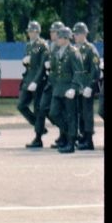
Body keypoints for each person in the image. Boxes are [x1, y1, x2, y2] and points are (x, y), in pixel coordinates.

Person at [46, 24, 79, 153]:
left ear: (66, 38)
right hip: (58, 88)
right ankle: (69, 134)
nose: (57, 39)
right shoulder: (57, 52)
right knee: (53, 113)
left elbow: (78, 72)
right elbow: (54, 71)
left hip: (68, 88)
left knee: (71, 115)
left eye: (59, 38)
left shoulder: (73, 52)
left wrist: (74, 87)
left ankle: (70, 143)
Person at [18, 20, 50, 148]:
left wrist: (36, 81)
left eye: (33, 31)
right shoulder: (29, 45)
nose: (31, 33)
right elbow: (30, 62)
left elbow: (42, 66)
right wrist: (26, 62)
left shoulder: (40, 45)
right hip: (28, 80)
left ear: (38, 32)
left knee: (38, 108)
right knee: (21, 105)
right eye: (30, 31)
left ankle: (38, 137)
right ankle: (39, 126)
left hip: (38, 81)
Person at [71, 23, 100, 150]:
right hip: (78, 86)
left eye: (77, 34)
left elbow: (95, 69)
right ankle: (82, 136)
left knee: (87, 113)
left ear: (84, 34)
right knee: (79, 113)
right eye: (74, 34)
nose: (75, 36)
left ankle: (89, 140)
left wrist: (90, 85)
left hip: (87, 85)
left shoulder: (90, 49)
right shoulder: (75, 49)